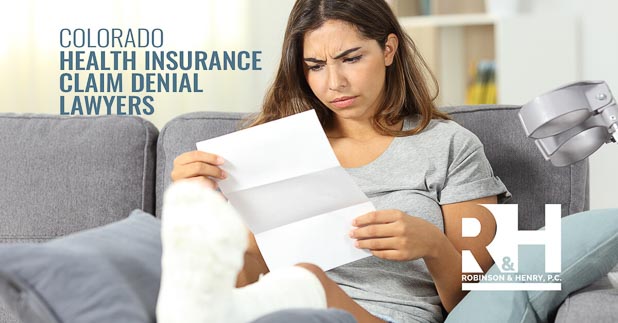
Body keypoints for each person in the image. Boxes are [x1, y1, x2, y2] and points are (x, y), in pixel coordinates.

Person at [158, 0, 510, 322]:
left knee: (305, 280)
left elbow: (479, 300)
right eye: (315, 66)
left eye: (351, 59)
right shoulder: (272, 146)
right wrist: (201, 206)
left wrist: (433, 245)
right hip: (273, 309)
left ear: (389, 49)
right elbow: (249, 273)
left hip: (385, 316)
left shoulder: (451, 146)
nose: (334, 84)